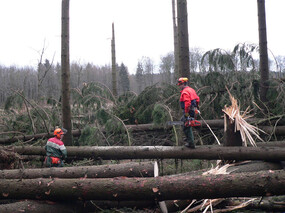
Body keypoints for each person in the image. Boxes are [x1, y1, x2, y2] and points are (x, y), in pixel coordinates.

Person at [177, 77, 200, 148]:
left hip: (189, 111)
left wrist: (187, 113)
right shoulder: (191, 90)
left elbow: (187, 103)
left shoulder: (185, 92)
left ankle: (191, 143)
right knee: (183, 122)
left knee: (186, 124)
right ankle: (189, 139)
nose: (179, 87)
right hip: (192, 110)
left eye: (180, 85)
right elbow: (197, 99)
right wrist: (196, 108)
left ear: (183, 84)